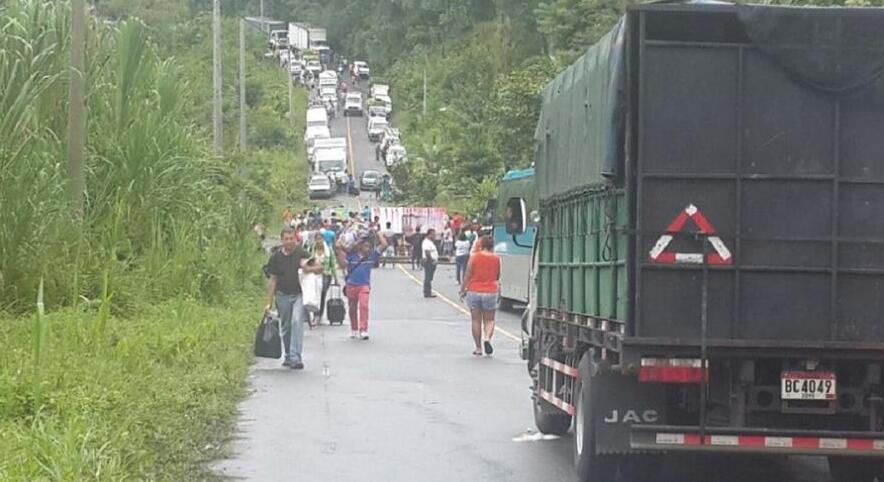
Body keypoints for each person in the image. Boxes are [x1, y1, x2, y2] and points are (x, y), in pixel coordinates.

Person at [264, 227, 324, 369]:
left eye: (292, 239)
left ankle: (296, 356)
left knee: (297, 321)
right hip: (282, 295)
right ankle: (288, 356)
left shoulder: (301, 253)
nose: (289, 242)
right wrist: (268, 302)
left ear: (295, 240)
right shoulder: (275, 257)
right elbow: (273, 280)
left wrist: (307, 268)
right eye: (286, 239)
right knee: (285, 327)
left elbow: (319, 268)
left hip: (298, 294)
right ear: (282, 240)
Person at [337, 230, 389, 340]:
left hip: (364, 285)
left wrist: (378, 233)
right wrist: (338, 251)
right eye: (366, 246)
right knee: (352, 308)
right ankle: (354, 329)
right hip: (351, 284)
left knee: (364, 306)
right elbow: (343, 264)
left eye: (370, 247)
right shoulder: (352, 256)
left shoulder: (371, 256)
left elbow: (384, 245)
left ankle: (363, 329)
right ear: (360, 246)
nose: (368, 249)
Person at [459, 235, 501, 356]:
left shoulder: (474, 257)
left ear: (481, 244)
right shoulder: (496, 258)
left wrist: (462, 290)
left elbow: (467, 274)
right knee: (489, 319)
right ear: (492, 245)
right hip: (490, 291)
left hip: (474, 290)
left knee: (476, 321)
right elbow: (497, 275)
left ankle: (478, 348)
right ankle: (487, 338)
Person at [309, 232, 336, 324]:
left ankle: (319, 315)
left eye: (320, 239)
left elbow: (333, 264)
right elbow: (307, 261)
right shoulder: (311, 250)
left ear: (323, 240)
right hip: (314, 275)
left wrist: (335, 279)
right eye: (317, 239)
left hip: (325, 275)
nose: (319, 241)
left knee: (322, 295)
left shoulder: (328, 250)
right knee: (315, 295)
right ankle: (315, 315)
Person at [422, 229, 439, 298]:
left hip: (431, 261)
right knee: (428, 277)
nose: (434, 236)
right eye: (433, 235)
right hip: (429, 261)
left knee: (429, 277)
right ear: (429, 234)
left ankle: (428, 291)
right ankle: (427, 292)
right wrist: (432, 260)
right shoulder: (426, 242)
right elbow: (427, 252)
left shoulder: (430, 242)